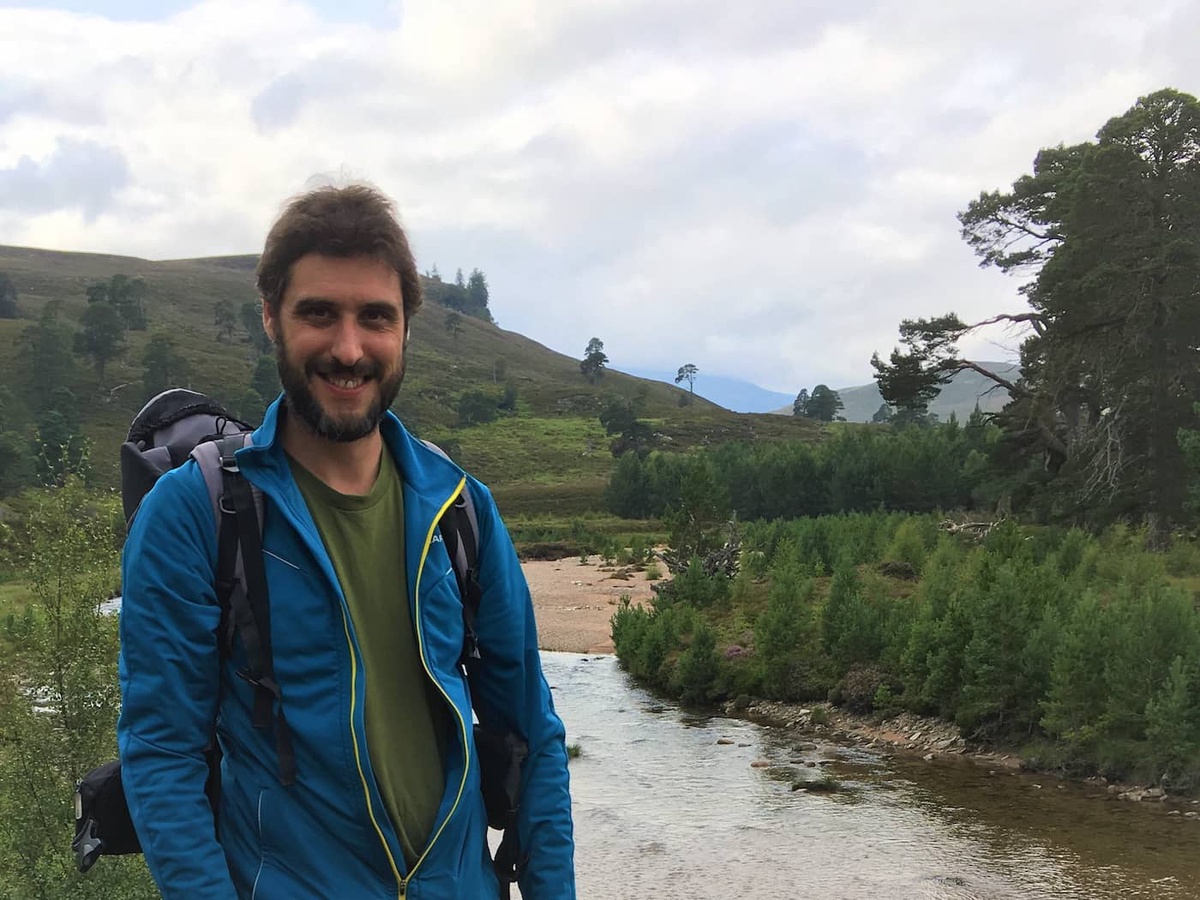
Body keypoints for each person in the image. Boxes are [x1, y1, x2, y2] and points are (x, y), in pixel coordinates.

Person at [117, 183, 576, 899]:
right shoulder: (195, 514)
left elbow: (534, 734)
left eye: (375, 318)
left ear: (405, 330)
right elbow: (162, 754)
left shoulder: (462, 508)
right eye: (319, 314)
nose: (349, 348)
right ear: (271, 316)